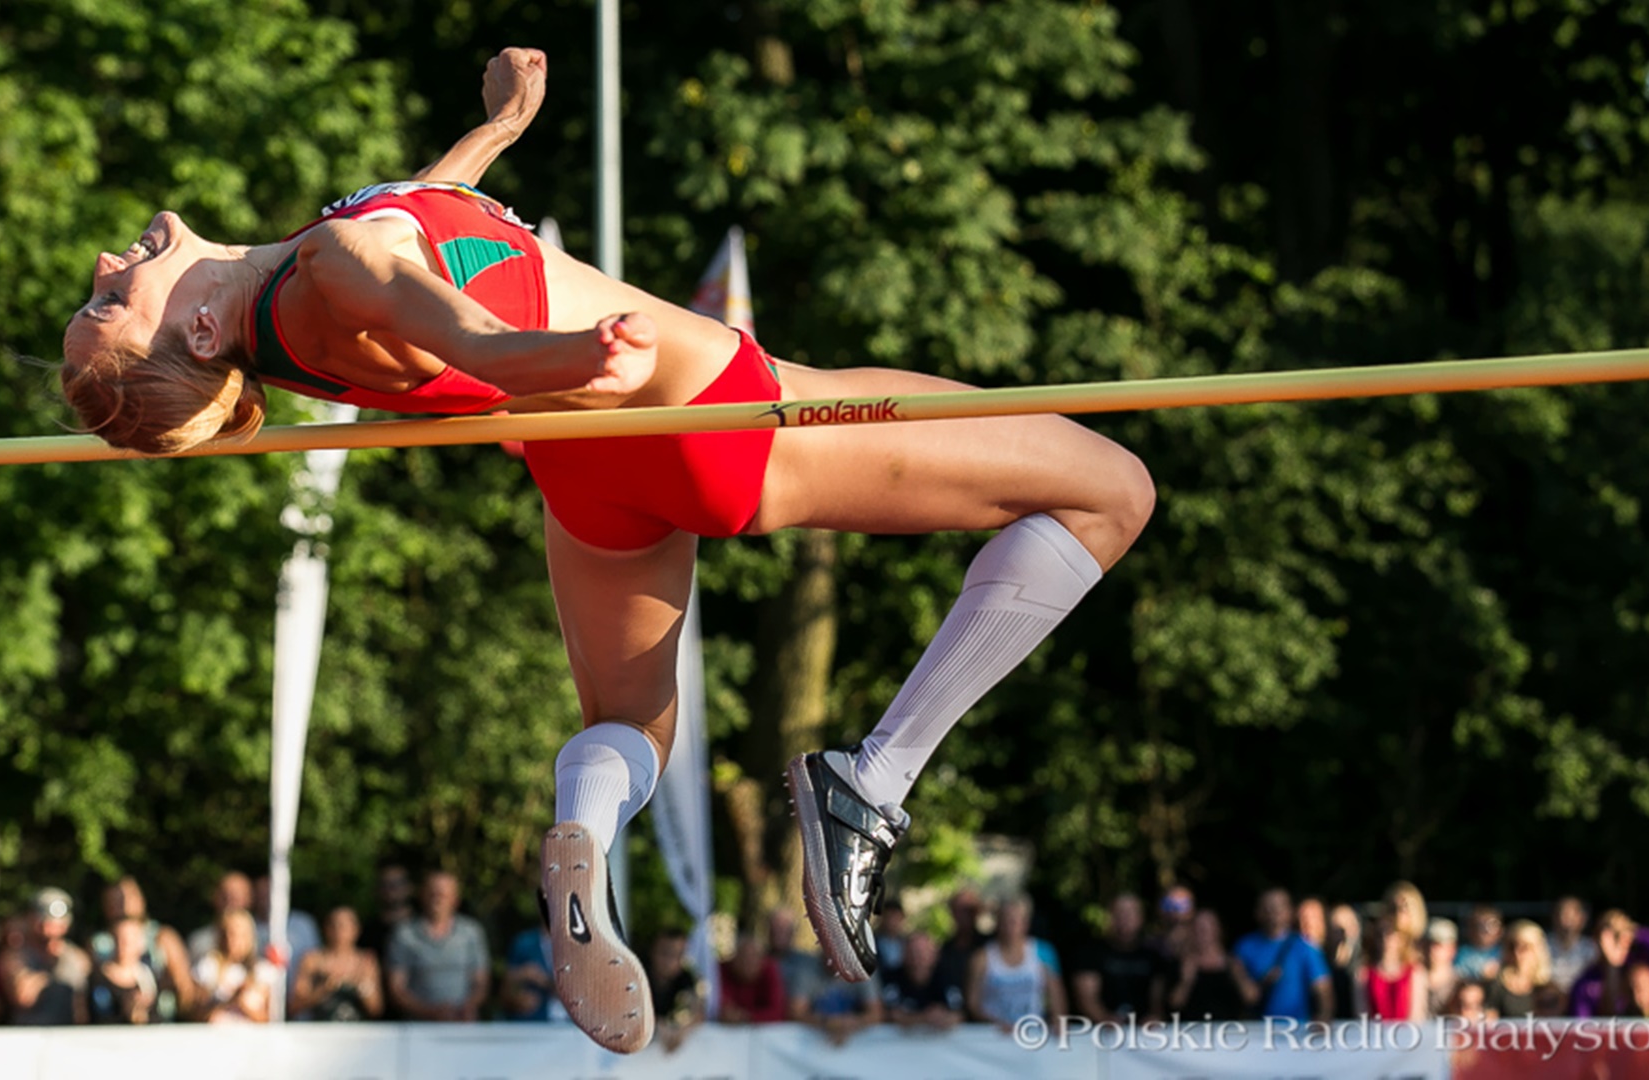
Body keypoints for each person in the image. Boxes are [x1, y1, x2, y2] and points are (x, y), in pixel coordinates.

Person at [58, 45, 1155, 1055]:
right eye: (111, 302)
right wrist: (572, 354)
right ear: (200, 334)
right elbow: (467, 331)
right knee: (1111, 491)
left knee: (633, 725)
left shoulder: (306, 293)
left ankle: (581, 827)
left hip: (587, 469)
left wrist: (497, 132)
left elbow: (417, 234)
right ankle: (871, 784)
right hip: (701, 413)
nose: (108, 262)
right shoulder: (333, 267)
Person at [88, 876, 196, 1023]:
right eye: (116, 899)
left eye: (128, 897)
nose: (124, 904)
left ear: (141, 900)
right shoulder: (97, 943)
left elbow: (184, 987)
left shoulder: (162, 937)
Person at [385, 871, 490, 1022]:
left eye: (443, 894)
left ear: (455, 899)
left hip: (463, 1023)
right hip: (418, 1025)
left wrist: (467, 1007)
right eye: (432, 893)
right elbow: (397, 989)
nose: (437, 899)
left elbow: (481, 984)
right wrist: (430, 1012)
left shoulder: (471, 932)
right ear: (422, 896)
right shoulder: (404, 934)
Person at [1231, 887, 1333, 1024]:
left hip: (1297, 1030)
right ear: (1257, 912)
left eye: (1278, 907)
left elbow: (1324, 989)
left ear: (1290, 911)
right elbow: (1249, 995)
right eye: (1267, 907)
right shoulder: (1243, 948)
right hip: (1255, 1030)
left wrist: (1324, 1017)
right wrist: (1263, 983)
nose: (1273, 913)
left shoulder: (1305, 948)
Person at [966, 897, 1067, 1030]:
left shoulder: (1044, 952)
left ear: (1025, 923)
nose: (1008, 926)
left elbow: (1057, 997)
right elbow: (973, 1003)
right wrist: (996, 1023)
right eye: (1004, 921)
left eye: (1013, 921)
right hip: (995, 1034)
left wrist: (1058, 1023)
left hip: (1033, 1033)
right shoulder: (981, 957)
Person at [1, 888, 91, 1025]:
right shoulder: (16, 956)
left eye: (58, 922)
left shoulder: (77, 958)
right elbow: (23, 998)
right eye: (43, 919)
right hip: (29, 1033)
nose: (49, 926)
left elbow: (81, 1009)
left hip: (68, 1034)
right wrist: (51, 972)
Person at [1072, 892, 1164, 1023]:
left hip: (1145, 1031)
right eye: (1119, 913)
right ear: (1110, 917)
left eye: (1131, 913)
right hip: (1099, 1030)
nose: (1125, 918)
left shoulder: (1153, 957)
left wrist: (1154, 1018)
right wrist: (1104, 1019)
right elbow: (1086, 998)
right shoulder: (1090, 953)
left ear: (1141, 918)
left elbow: (1158, 999)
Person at [291, 907, 385, 1022]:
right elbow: (295, 1005)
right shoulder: (312, 960)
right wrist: (323, 989)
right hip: (319, 1028)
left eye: (344, 926)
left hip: (357, 1030)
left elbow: (376, 1010)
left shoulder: (365, 961)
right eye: (333, 925)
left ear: (356, 930)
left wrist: (362, 987)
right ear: (325, 929)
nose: (338, 931)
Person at [191, 909, 280, 1023]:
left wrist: (244, 1005)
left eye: (240, 935)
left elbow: (272, 1020)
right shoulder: (207, 967)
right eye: (229, 934)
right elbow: (196, 1014)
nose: (233, 941)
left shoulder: (263, 971)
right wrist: (230, 1001)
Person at [1167, 910, 1243, 1021]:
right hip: (1191, 1028)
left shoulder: (1232, 962)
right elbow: (1174, 1004)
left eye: (1207, 928)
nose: (1203, 932)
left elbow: (1251, 997)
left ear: (1218, 930)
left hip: (1228, 1028)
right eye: (1198, 928)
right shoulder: (1182, 963)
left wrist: (1240, 976)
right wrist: (1186, 982)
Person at [883, 930, 964, 1030]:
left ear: (934, 955)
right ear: (904, 955)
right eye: (912, 952)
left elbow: (958, 1013)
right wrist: (923, 1018)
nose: (917, 959)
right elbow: (890, 1014)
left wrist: (943, 1017)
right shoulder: (891, 978)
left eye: (922, 953)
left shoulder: (947, 977)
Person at [88, 917, 161, 1025]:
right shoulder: (97, 977)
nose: (123, 945)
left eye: (129, 940)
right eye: (118, 939)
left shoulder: (149, 978)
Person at [646, 929, 706, 1053]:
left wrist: (683, 1031)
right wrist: (656, 1025)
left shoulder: (687, 979)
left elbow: (698, 1013)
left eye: (678, 955)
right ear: (653, 951)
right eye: (665, 953)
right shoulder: (638, 976)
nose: (670, 961)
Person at [1361, 915, 1426, 1022]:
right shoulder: (1363, 974)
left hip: (1408, 1031)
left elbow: (1417, 1016)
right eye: (1382, 935)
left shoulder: (1415, 972)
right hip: (1374, 1031)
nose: (1386, 941)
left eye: (1392, 936)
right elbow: (1362, 1016)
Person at [1486, 919, 1552, 1019]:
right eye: (1512, 946)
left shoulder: (1548, 988)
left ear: (1536, 949)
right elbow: (1490, 1023)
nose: (1517, 952)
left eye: (1525, 947)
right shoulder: (1496, 986)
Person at [718, 932, 789, 1025]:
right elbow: (719, 1005)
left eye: (753, 958)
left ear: (761, 960)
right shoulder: (722, 970)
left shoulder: (770, 970)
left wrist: (746, 1017)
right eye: (743, 958)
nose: (747, 963)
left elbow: (777, 1011)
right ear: (734, 958)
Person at [1547, 896, 1595, 993]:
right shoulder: (1543, 945)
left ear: (1582, 919)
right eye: (1563, 915)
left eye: (1572, 916)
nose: (1567, 921)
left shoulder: (1591, 949)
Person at [1454, 904, 1505, 982]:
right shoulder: (1460, 954)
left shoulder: (1507, 953)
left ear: (1501, 929)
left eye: (1491, 925)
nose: (1485, 930)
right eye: (1479, 925)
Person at [1424, 917, 1461, 1015]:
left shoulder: (1459, 983)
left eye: (1438, 945)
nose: (1431, 949)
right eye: (1427, 944)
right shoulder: (1412, 979)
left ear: (1452, 949)